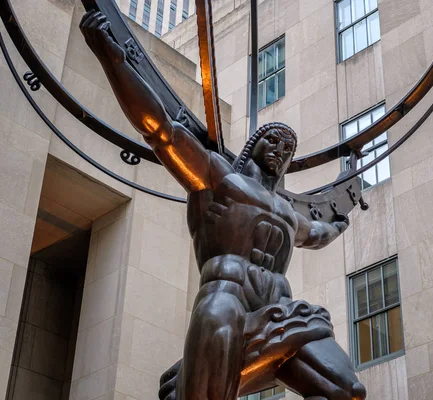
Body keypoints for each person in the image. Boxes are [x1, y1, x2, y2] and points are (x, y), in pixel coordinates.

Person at [80, 10, 367, 400]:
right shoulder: (218, 178)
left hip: (279, 311)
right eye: (274, 140)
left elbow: (321, 231)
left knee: (347, 390)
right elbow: (159, 131)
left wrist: (348, 198)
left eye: (288, 148)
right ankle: (190, 379)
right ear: (254, 146)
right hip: (225, 301)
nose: (281, 150)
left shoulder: (288, 213)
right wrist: (112, 61)